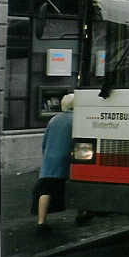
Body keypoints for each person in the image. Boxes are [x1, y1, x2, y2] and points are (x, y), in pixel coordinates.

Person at [33, 93, 78, 233]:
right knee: (76, 186)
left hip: (50, 159)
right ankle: (82, 214)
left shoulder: (53, 120)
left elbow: (45, 142)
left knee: (45, 189)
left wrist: (46, 155)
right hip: (67, 159)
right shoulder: (77, 120)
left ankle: (41, 222)